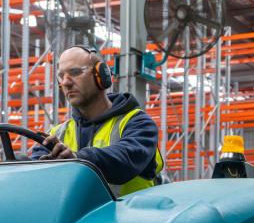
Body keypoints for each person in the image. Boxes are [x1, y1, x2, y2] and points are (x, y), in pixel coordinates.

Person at [30, 45, 164, 194]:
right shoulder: (56, 134)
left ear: (101, 75)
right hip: (81, 218)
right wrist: (5, 168)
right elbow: (32, 168)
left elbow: (124, 160)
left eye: (75, 72)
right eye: (61, 76)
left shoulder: (139, 124)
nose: (66, 83)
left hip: (130, 216)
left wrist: (78, 159)